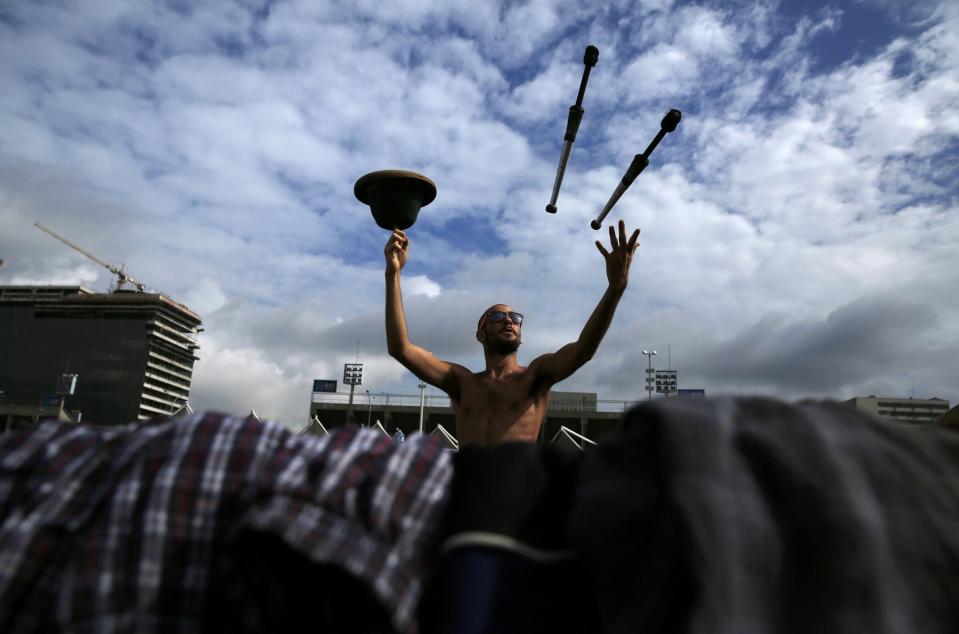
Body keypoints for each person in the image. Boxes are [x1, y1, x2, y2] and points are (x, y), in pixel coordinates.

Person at [385, 219, 640, 446]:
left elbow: (583, 350)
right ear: (480, 334)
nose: (509, 321)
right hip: (471, 492)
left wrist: (614, 290)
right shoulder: (461, 382)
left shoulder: (536, 376)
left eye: (515, 318)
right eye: (497, 316)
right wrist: (393, 274)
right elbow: (401, 349)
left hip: (521, 494)